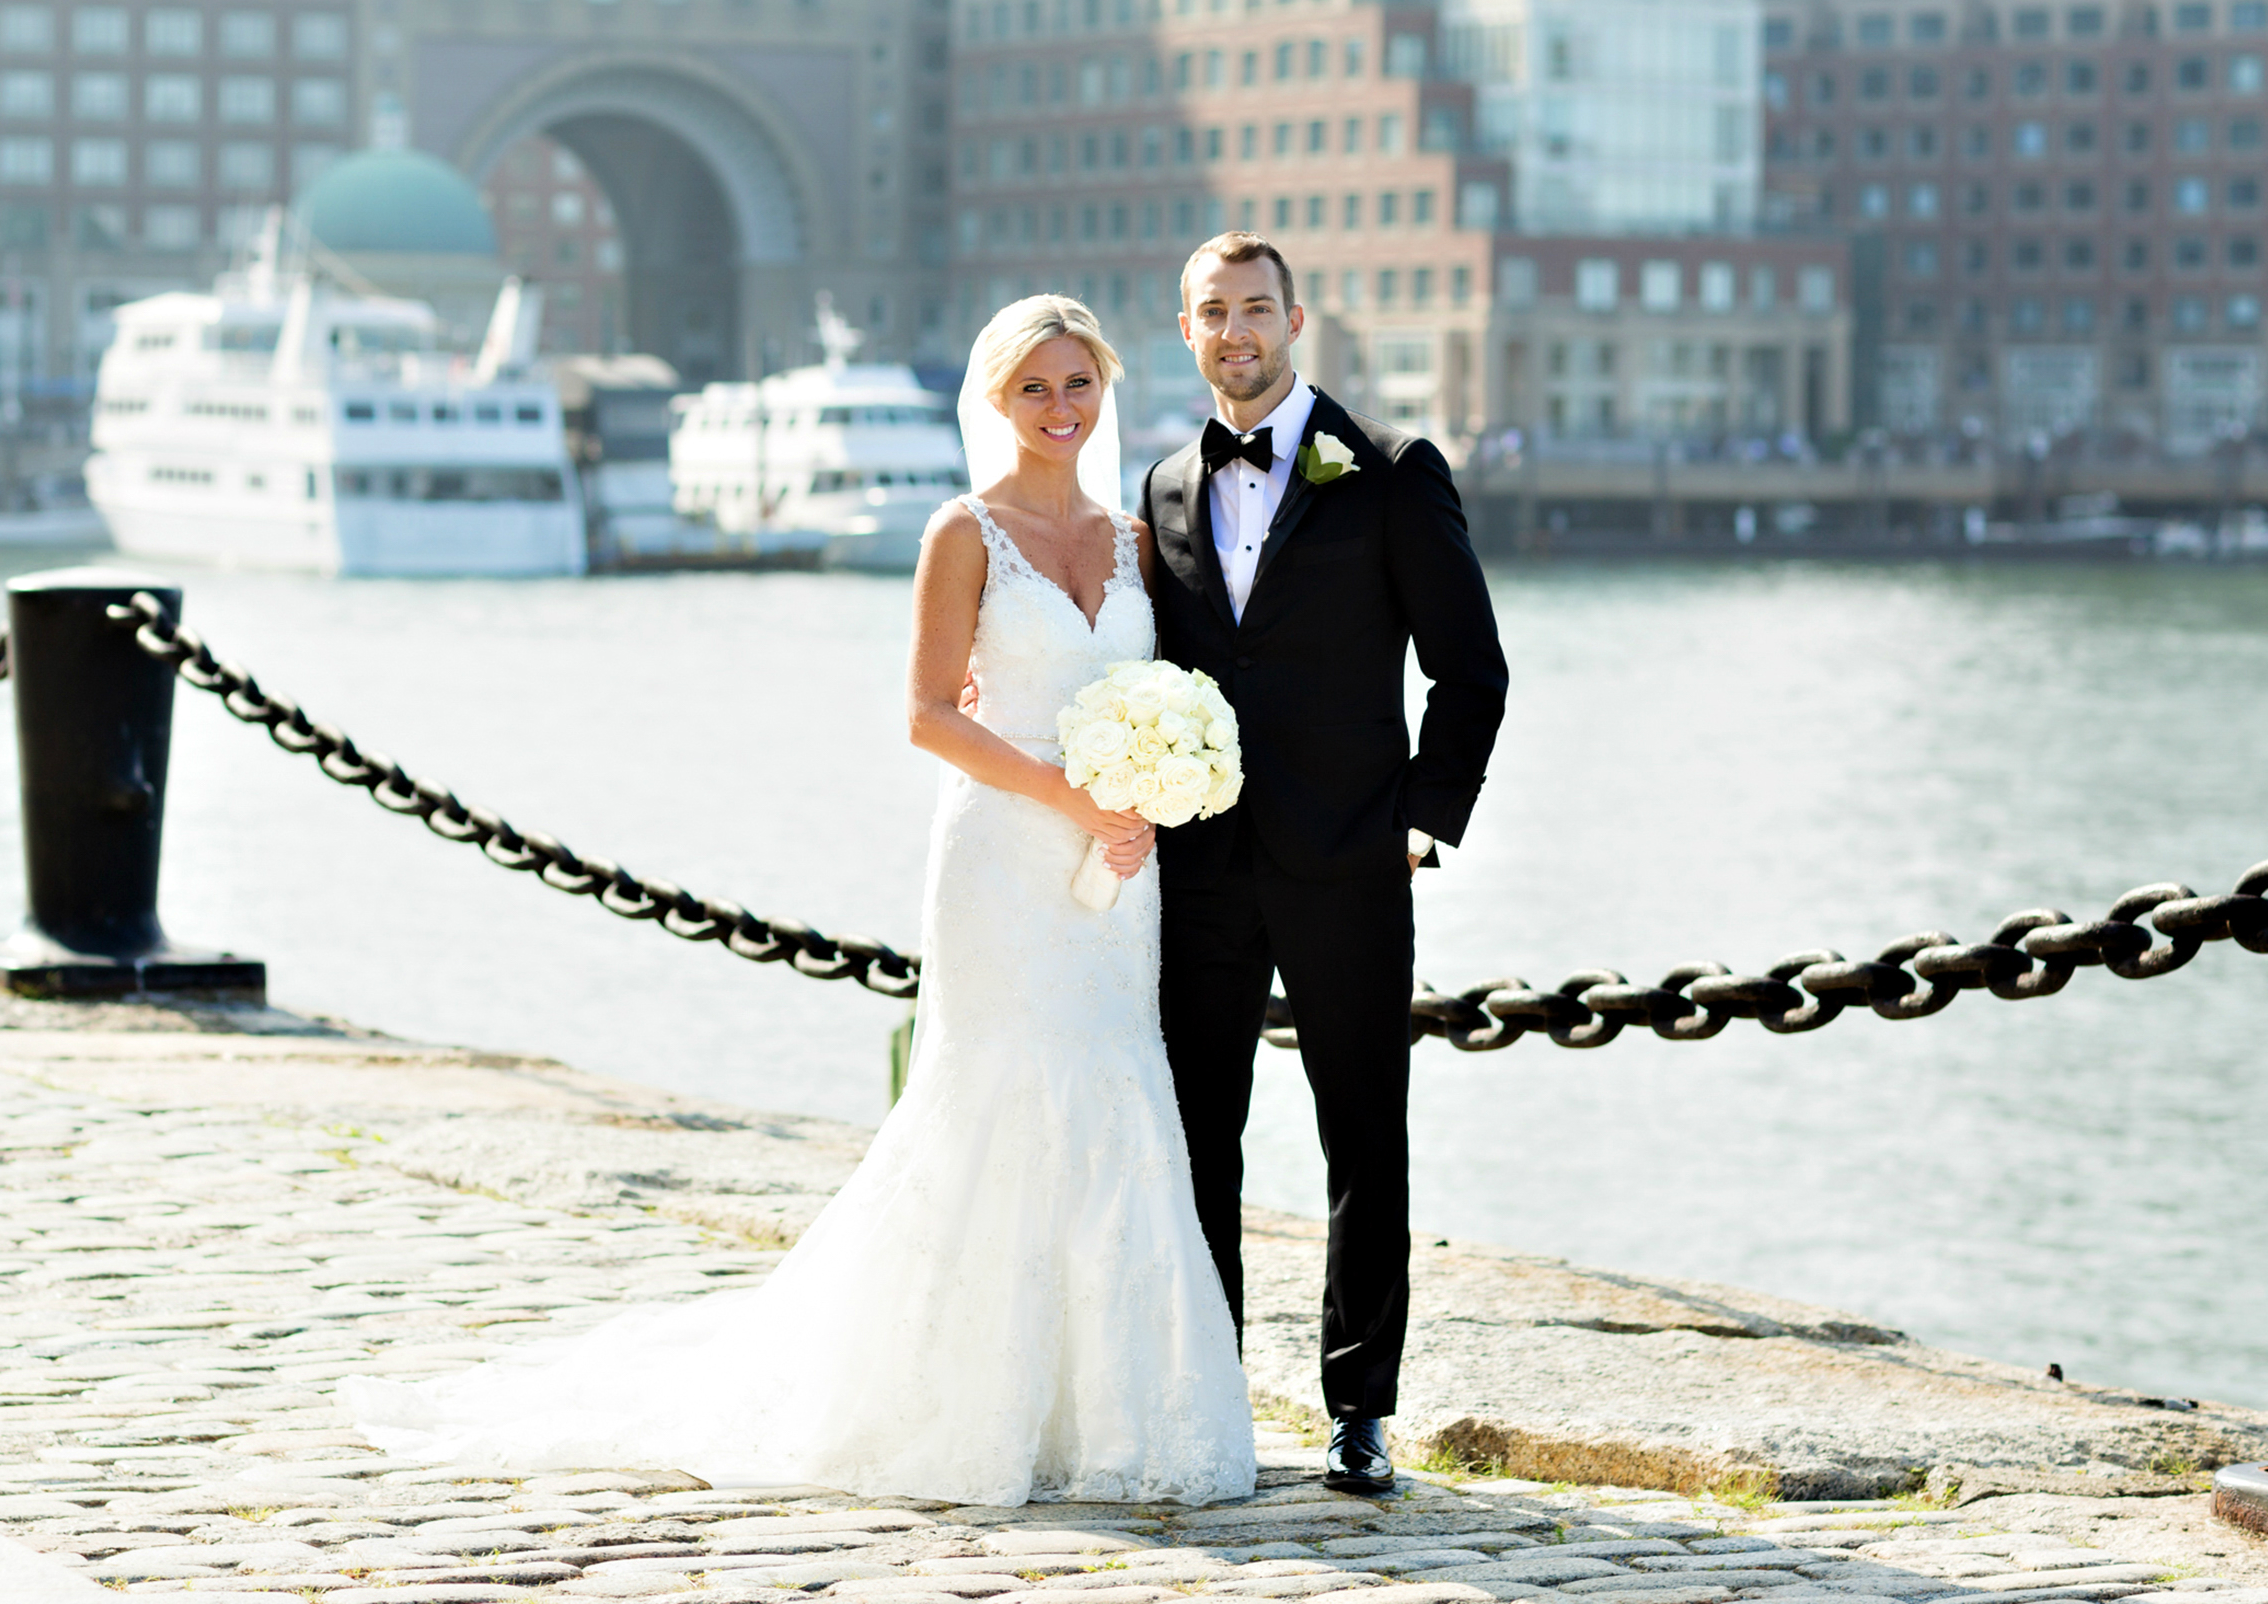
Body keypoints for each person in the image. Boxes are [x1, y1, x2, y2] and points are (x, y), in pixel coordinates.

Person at [342, 294, 1257, 1507]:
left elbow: (1146, 691)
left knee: (1116, 1088)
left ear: (1105, 389)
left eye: (1077, 384)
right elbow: (928, 713)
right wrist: (1065, 794)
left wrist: (1143, 794)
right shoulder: (963, 531)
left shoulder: (1135, 536)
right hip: (1002, 854)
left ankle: (1101, 1415)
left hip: (1113, 875)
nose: (1058, 408)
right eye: (1033, 388)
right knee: (994, 1093)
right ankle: (952, 1399)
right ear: (995, 402)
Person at [1140, 231, 1507, 1495]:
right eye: (1210, 313)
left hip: (1353, 860)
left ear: (1295, 318)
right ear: (1184, 330)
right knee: (1199, 1134)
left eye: (1255, 309)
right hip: (1199, 868)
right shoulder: (1163, 485)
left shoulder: (1395, 472)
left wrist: (1423, 823)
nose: (1234, 332)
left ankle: (1361, 1409)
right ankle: (1208, 1394)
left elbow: (1472, 671)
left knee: (1365, 1134)